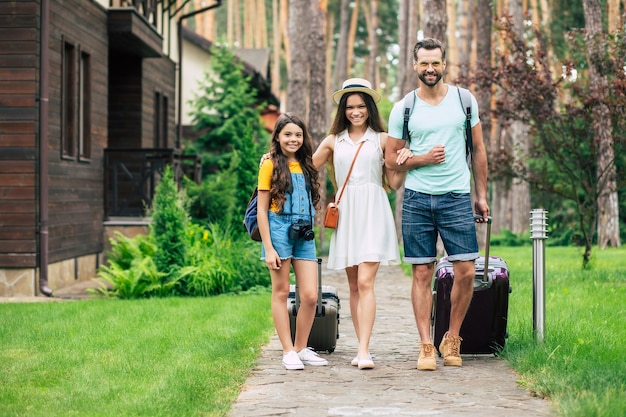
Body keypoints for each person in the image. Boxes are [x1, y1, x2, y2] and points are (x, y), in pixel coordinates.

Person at [384, 38, 489, 371]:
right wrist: (421, 159)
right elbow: (391, 161)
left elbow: (479, 150)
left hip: (457, 196)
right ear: (414, 66)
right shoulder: (403, 108)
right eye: (424, 63)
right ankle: (426, 344)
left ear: (444, 64)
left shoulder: (464, 100)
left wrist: (481, 194)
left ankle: (452, 337)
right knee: (421, 273)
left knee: (467, 270)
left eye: (436, 63)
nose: (430, 69)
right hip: (416, 199)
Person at [313, 78, 409, 370]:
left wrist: (402, 163)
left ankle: (365, 350)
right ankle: (360, 346)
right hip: (347, 213)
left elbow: (393, 183)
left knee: (366, 282)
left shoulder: (382, 139)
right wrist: (275, 158)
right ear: (343, 109)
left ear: (369, 108)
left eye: (361, 106)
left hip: (374, 210)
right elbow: (304, 166)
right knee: (354, 285)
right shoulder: (333, 141)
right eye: (351, 107)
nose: (356, 112)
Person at [256, 112, 329, 370]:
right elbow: (261, 210)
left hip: (304, 232)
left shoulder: (307, 163)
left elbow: (331, 147)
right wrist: (268, 248)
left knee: (309, 295)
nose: (293, 139)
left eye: (298, 134)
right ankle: (288, 351)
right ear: (277, 136)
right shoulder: (269, 165)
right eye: (287, 134)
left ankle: (301, 347)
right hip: (278, 230)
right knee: (282, 291)